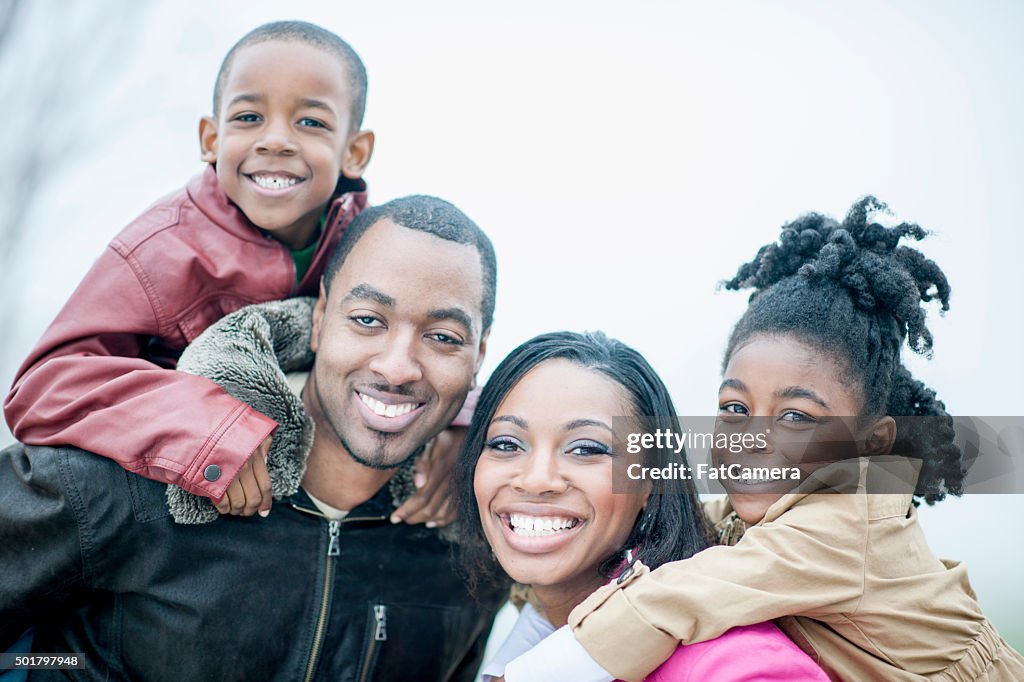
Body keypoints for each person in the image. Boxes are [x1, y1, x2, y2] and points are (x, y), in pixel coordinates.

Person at [502, 198, 1024, 681]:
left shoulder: (848, 523)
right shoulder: (762, 505)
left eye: (796, 416)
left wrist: (532, 672)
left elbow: (681, 592)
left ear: (873, 444)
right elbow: (670, 527)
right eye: (735, 408)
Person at [0, 195, 503, 681]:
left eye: (443, 338)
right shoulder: (137, 476)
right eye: (368, 320)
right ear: (321, 317)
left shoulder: (470, 559)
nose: (396, 368)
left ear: (478, 356)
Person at [3, 20, 463, 524]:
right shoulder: (160, 250)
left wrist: (459, 426)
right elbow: (43, 388)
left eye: (310, 123)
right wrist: (207, 427)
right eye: (248, 117)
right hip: (174, 498)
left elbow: (443, 329)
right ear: (211, 138)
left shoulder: (368, 246)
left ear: (355, 151)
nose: (276, 141)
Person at [456, 331, 829, 681]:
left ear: (650, 481)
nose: (536, 480)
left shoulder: (736, 667)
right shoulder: (535, 625)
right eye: (506, 444)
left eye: (586, 449)